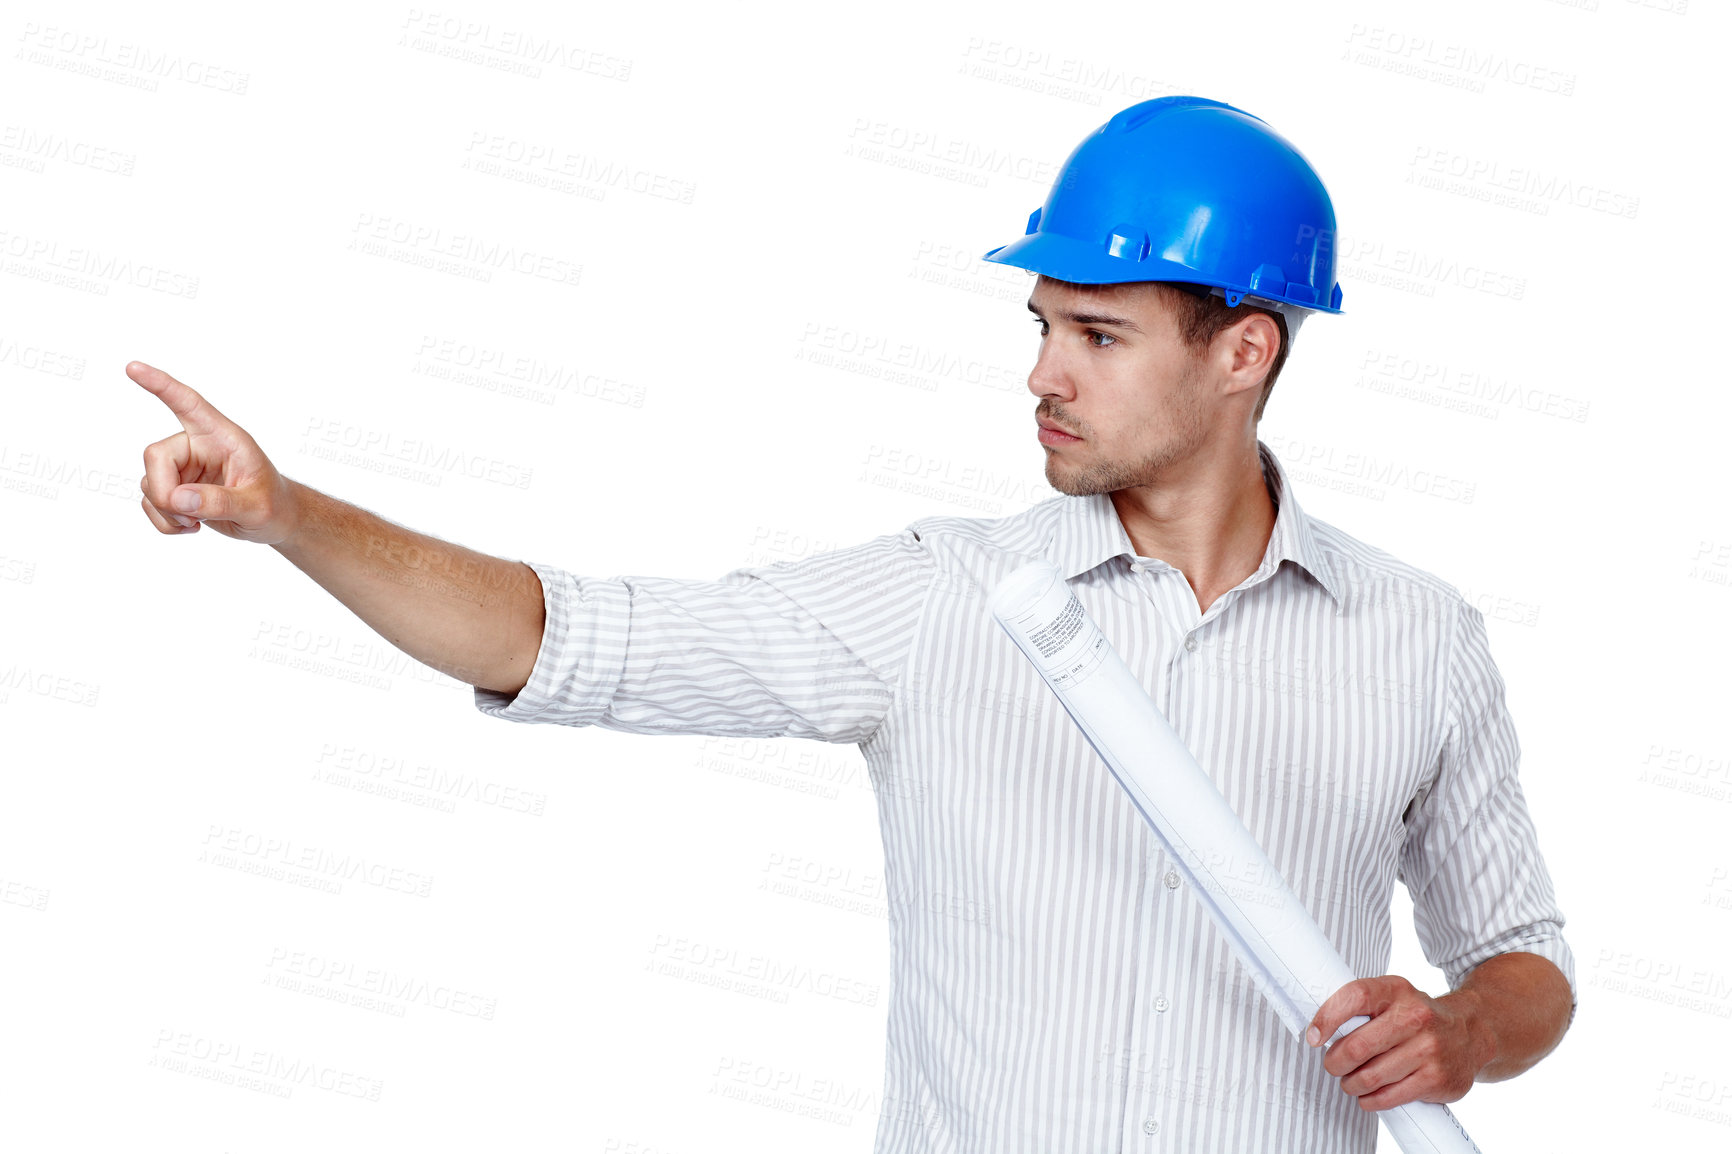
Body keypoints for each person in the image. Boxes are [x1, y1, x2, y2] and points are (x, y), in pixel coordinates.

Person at [130, 96, 1573, 1153]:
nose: (1042, 374)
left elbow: (1526, 958)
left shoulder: (1417, 639)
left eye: (1099, 335)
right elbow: (561, 636)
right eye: (1041, 325)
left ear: (1244, 350)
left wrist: (1465, 1030)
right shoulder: (946, 601)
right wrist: (288, 513)